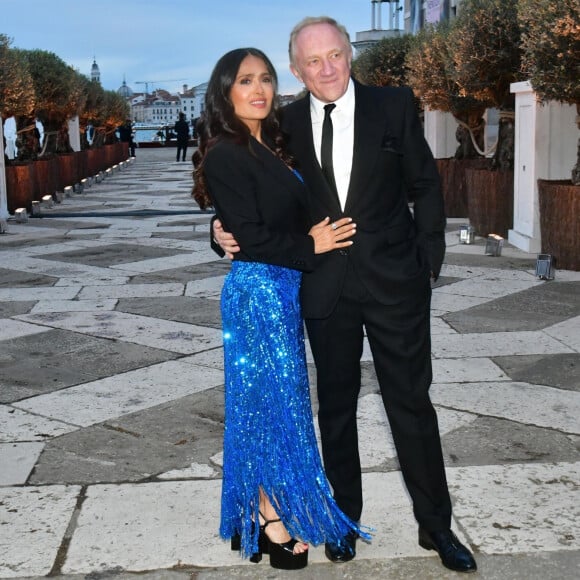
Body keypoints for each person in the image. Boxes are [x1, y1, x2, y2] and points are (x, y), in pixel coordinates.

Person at [212, 16, 477, 574]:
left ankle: (437, 527)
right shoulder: (280, 123)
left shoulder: (394, 104)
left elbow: (426, 183)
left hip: (395, 285)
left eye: (334, 54)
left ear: (349, 54)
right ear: (296, 69)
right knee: (335, 410)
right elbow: (254, 197)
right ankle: (342, 520)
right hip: (323, 289)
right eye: (313, 60)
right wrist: (218, 232)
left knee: (411, 405)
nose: (326, 68)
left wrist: (429, 260)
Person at [192, 47, 369, 570]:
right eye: (245, 81)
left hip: (282, 292)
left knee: (277, 409)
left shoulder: (270, 142)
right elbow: (248, 235)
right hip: (258, 295)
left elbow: (253, 223)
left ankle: (262, 513)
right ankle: (271, 520)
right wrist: (309, 246)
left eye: (266, 79)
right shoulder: (227, 151)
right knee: (270, 411)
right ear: (225, 90)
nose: (259, 90)